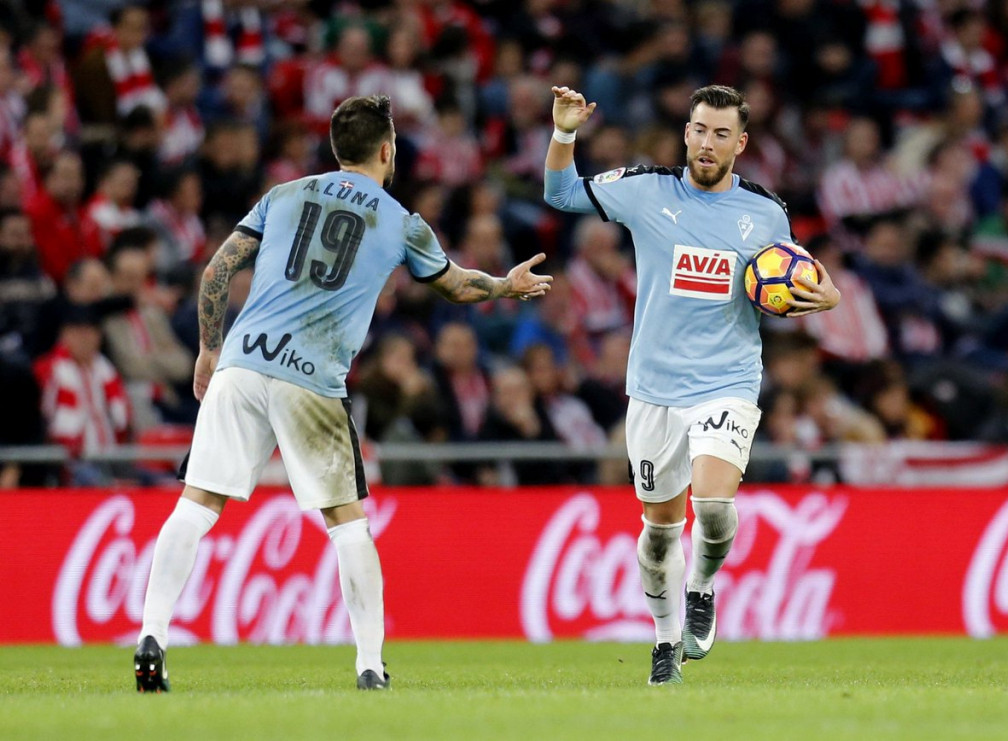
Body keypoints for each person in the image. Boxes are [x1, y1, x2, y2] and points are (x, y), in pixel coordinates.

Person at [134, 94, 551, 693]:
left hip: (243, 363)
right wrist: (506, 287)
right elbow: (457, 287)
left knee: (196, 505)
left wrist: (207, 349)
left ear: (336, 149)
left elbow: (216, 273)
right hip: (312, 377)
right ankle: (369, 664)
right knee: (348, 524)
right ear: (387, 150)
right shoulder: (403, 221)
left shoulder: (283, 195)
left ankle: (153, 634)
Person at [543, 84, 840, 685]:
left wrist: (828, 297)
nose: (708, 143)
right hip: (653, 388)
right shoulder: (646, 189)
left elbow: (800, 280)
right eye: (700, 130)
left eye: (722, 134)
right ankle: (664, 641)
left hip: (727, 380)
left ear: (741, 142)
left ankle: (702, 586)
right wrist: (565, 132)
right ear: (686, 133)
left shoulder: (765, 213)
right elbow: (558, 193)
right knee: (658, 534)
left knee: (712, 502)